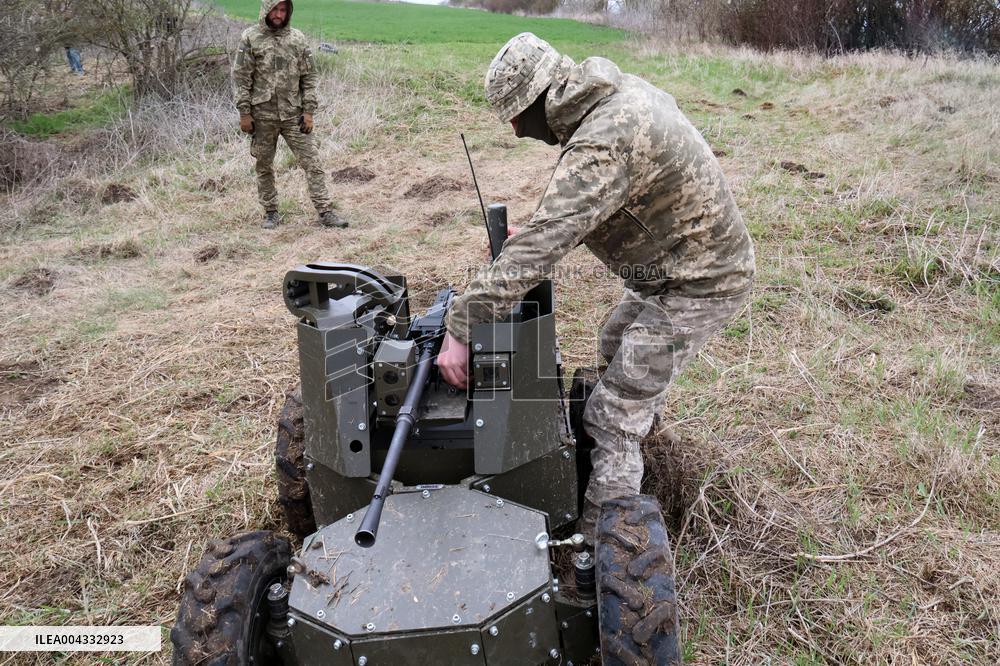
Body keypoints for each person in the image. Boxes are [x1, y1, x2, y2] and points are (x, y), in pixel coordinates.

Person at [437, 32, 756, 544]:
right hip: (673, 266)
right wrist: (545, 233)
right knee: (613, 344)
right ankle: (628, 450)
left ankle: (602, 548)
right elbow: (598, 205)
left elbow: (551, 235)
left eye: (517, 114)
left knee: (612, 413)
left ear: (540, 99)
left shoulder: (604, 141)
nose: (517, 131)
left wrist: (461, 325)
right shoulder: (615, 95)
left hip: (701, 282)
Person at [232, 0, 346, 230]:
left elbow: (309, 78)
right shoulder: (250, 38)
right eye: (274, 9)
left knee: (312, 162)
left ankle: (325, 212)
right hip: (262, 116)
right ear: (266, 10)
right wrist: (245, 113)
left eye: (283, 10)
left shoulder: (298, 39)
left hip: (294, 115)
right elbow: (241, 78)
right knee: (264, 166)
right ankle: (271, 213)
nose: (278, 14)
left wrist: (308, 111)